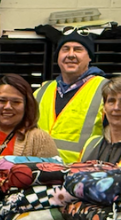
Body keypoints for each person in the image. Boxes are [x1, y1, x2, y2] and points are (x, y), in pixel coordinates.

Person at [34, 31, 107, 164]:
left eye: (78, 49)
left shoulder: (106, 90)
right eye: (65, 49)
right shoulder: (41, 91)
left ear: (89, 57)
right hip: (40, 170)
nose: (71, 55)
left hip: (82, 172)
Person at [0, 74, 60, 159]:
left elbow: (54, 171)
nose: (8, 107)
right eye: (2, 100)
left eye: (16, 102)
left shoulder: (40, 140)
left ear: (26, 106)